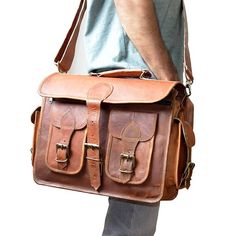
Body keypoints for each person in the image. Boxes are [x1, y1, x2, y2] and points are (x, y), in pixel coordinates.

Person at [84, 0, 185, 235]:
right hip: (141, 89)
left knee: (132, 217)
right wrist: (171, 80)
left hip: (140, 85)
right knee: (131, 222)